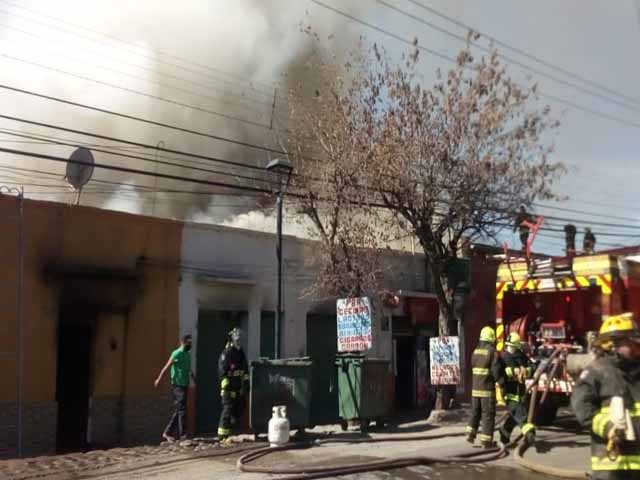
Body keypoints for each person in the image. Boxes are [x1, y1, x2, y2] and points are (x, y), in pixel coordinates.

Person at [571, 313, 640, 479]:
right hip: (611, 465)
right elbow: (583, 410)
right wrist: (609, 428)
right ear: (612, 345)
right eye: (631, 341)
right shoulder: (596, 372)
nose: (637, 345)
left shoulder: (637, 370)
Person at [466, 326, 504, 448]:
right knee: (487, 415)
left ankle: (470, 435)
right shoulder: (492, 352)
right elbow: (496, 371)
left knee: (475, 412)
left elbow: (472, 365)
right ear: (491, 338)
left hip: (475, 390)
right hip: (487, 391)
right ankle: (486, 442)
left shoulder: (475, 351)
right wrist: (502, 383)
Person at [154, 334, 196, 442]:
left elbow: (188, 368)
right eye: (188, 342)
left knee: (179, 410)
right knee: (182, 409)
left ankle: (167, 432)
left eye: (191, 342)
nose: (190, 344)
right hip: (177, 386)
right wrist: (159, 379)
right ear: (183, 342)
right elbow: (166, 367)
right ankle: (183, 435)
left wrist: (192, 376)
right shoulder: (176, 353)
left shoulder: (187, 354)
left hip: (185, 384)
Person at [499, 332, 536, 445]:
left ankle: (504, 434)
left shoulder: (521, 355)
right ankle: (529, 433)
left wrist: (527, 371)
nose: (510, 349)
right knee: (521, 415)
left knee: (514, 416)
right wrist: (511, 372)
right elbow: (499, 372)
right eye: (509, 346)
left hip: (521, 392)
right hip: (509, 394)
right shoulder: (504, 357)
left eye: (513, 347)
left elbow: (533, 366)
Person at [217, 328, 249, 444]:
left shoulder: (240, 353)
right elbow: (222, 371)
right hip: (228, 387)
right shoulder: (227, 353)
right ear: (233, 339)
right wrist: (225, 387)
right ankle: (222, 436)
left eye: (240, 339)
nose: (239, 341)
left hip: (238, 387)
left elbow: (245, 370)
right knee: (227, 410)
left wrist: (245, 384)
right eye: (237, 338)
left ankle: (230, 430)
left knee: (240, 407)